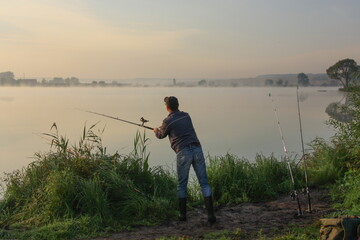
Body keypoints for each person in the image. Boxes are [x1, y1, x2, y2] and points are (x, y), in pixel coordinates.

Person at [153, 96, 216, 223]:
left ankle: (183, 216)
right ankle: (211, 216)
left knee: (182, 185)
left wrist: (156, 130)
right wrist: (162, 127)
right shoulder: (186, 116)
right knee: (204, 183)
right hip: (197, 149)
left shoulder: (167, 121)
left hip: (183, 152)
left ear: (167, 107)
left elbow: (161, 135)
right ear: (178, 105)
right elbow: (177, 126)